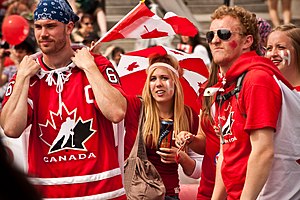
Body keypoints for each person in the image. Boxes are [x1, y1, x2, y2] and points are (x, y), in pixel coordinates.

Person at [0, 0, 127, 199]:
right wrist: (22, 78)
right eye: (38, 27)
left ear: (69, 27)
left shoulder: (98, 64)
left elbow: (117, 112)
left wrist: (90, 68)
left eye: (51, 26)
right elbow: (10, 128)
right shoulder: (27, 73)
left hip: (101, 191)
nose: (43, 34)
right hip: (49, 192)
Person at [203, 5, 289, 199]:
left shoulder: (256, 79)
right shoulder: (225, 87)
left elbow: (263, 151)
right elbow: (226, 152)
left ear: (247, 41)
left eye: (224, 34)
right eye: (210, 35)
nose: (215, 40)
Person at [124, 54, 202, 199]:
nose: (158, 84)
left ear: (175, 83)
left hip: (170, 193)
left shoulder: (189, 115)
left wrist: (181, 157)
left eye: (164, 78)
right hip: (138, 193)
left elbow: (198, 171)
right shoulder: (137, 108)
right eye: (153, 79)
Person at [259, 23, 300, 199]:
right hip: (267, 188)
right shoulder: (265, 90)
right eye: (268, 48)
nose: (272, 53)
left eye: (280, 47)